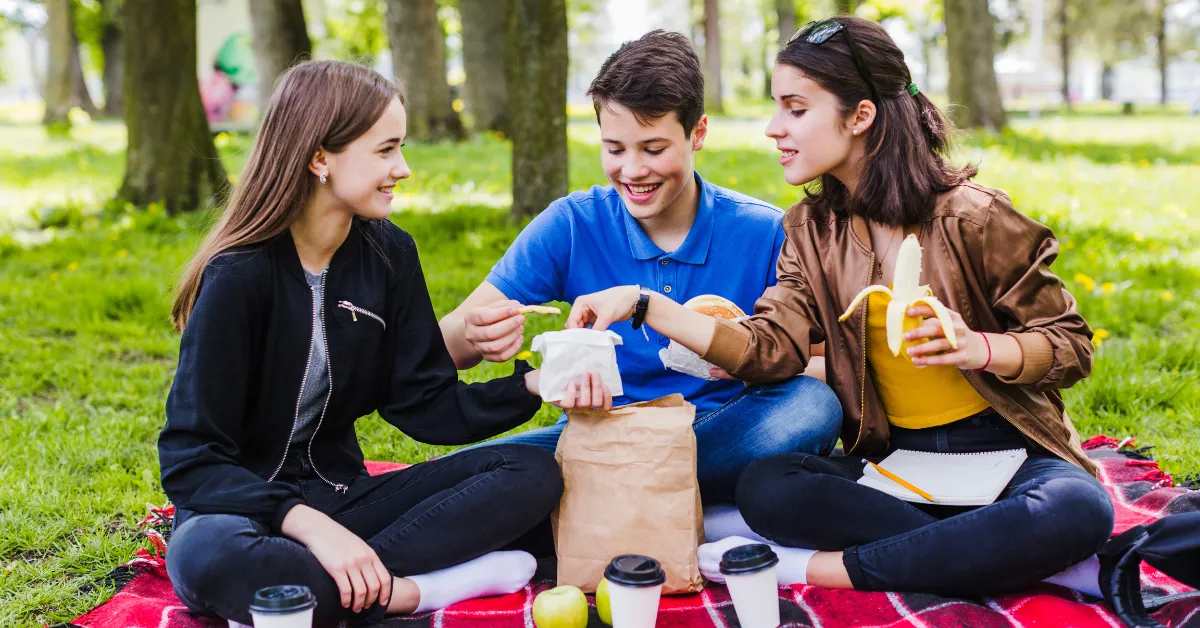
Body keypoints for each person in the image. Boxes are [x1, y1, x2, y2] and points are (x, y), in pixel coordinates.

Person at [566, 17, 1115, 597]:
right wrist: (644, 303)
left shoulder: (973, 217)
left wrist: (978, 347)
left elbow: (1070, 343)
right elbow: (768, 350)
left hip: (1006, 454)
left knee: (1078, 507)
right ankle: (1015, 556)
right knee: (768, 486)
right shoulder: (809, 232)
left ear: (860, 116)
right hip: (898, 462)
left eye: (795, 109)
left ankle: (810, 569)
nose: (774, 129)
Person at [159, 60, 577, 626]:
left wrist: (532, 384)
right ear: (319, 157)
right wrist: (304, 522)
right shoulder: (239, 276)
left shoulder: (388, 255)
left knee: (532, 473)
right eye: (385, 150)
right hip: (239, 513)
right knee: (211, 562)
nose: (402, 169)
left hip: (343, 498)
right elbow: (191, 461)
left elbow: (424, 404)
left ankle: (322, 592)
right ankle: (421, 590)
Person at [439, 30, 842, 504]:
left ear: (699, 133)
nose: (632, 171)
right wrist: (478, 333)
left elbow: (826, 369)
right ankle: (671, 502)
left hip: (716, 434)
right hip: (600, 436)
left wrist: (747, 365)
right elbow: (438, 353)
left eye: (653, 150)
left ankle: (603, 498)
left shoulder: (765, 231)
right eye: (614, 149)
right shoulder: (572, 224)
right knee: (451, 478)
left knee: (811, 408)